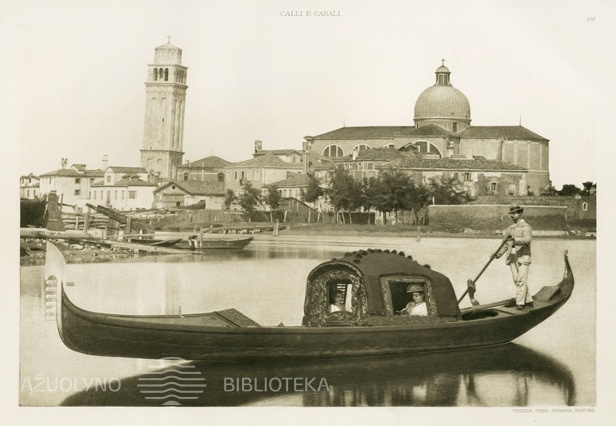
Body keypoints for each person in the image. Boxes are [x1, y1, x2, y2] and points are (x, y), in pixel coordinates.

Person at [495, 204, 533, 310]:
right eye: (511, 213)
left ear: (520, 213)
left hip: (523, 256)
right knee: (517, 280)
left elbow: (527, 240)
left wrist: (515, 240)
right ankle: (529, 300)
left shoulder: (526, 227)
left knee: (521, 280)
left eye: (514, 213)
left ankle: (520, 302)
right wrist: (497, 254)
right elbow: (505, 244)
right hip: (512, 257)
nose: (512, 215)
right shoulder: (510, 228)